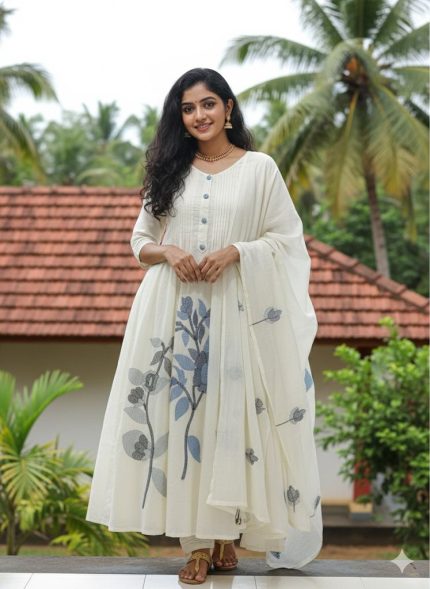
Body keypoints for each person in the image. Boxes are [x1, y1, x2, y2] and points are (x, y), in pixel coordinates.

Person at [86, 67, 323, 584]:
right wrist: (168, 251)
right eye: (188, 108)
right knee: (183, 421)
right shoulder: (169, 170)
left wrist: (237, 251)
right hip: (173, 311)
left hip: (237, 311)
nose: (199, 116)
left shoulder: (260, 169)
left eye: (208, 104)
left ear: (228, 108)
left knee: (228, 421)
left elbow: (286, 239)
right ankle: (195, 546)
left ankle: (225, 534)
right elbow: (140, 241)